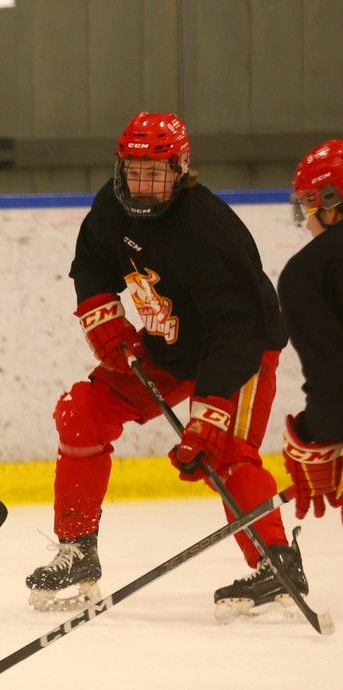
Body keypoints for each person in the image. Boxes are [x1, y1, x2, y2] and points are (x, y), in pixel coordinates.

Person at [25, 112, 305, 621]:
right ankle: (77, 550)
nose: (144, 183)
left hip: (239, 349)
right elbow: (90, 261)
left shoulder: (208, 229)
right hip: (169, 345)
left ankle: (275, 562)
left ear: (180, 170)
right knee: (80, 412)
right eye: (135, 169)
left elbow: (237, 328)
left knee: (229, 454)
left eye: (156, 172)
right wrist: (99, 311)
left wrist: (212, 410)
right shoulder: (112, 205)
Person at [277, 140, 343, 525]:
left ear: (331, 201)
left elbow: (334, 379)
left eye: (309, 202)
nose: (306, 216)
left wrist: (313, 435)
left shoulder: (309, 271)